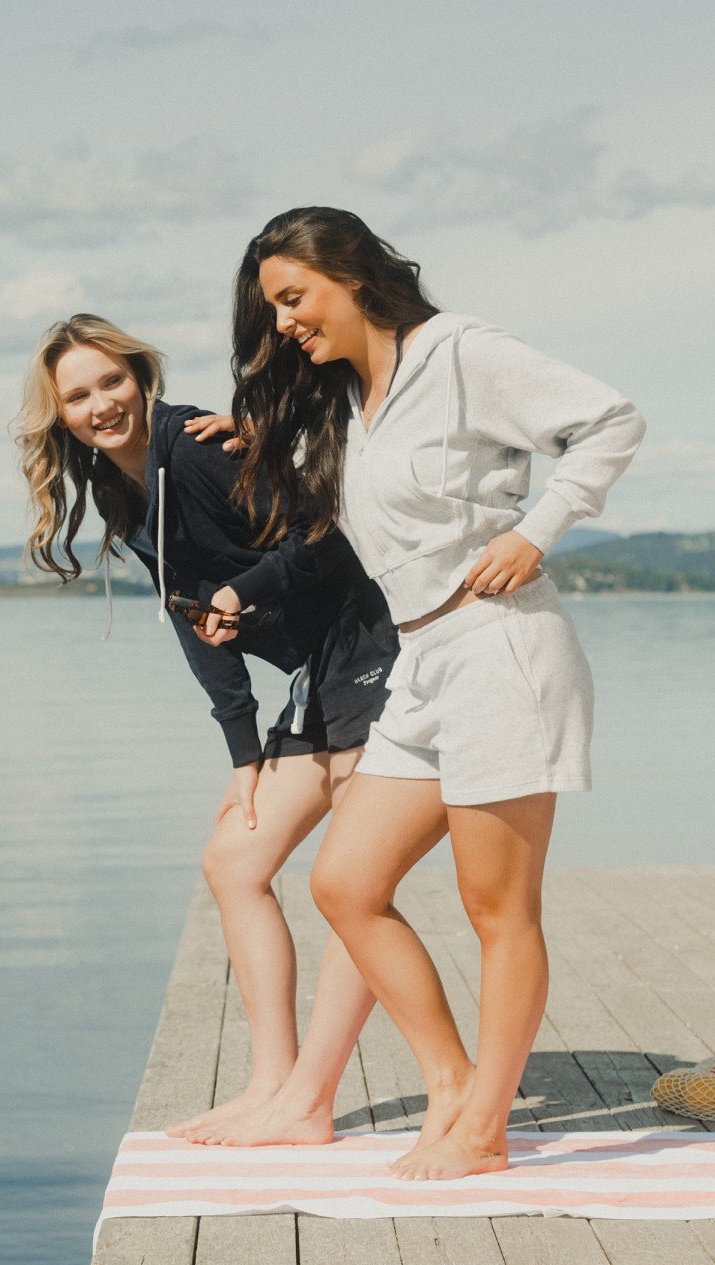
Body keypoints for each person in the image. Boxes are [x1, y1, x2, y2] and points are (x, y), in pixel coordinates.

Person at [224, 207, 646, 1179]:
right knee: (345, 883)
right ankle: (452, 1085)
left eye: (293, 297)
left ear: (352, 274)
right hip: (421, 666)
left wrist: (538, 528)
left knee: (498, 907)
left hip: (502, 649)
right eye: (274, 308)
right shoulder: (354, 401)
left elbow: (610, 420)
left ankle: (484, 1129)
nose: (285, 321)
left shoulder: (457, 353)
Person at [13, 312, 398, 1140]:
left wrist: (241, 592)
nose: (102, 403)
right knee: (233, 862)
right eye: (78, 395)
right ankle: (271, 1085)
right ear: (61, 415)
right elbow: (193, 620)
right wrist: (242, 756)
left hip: (366, 648)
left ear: (139, 375)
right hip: (311, 676)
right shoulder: (124, 492)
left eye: (111, 380)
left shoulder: (193, 445)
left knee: (353, 884)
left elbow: (321, 534)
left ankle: (309, 1102)